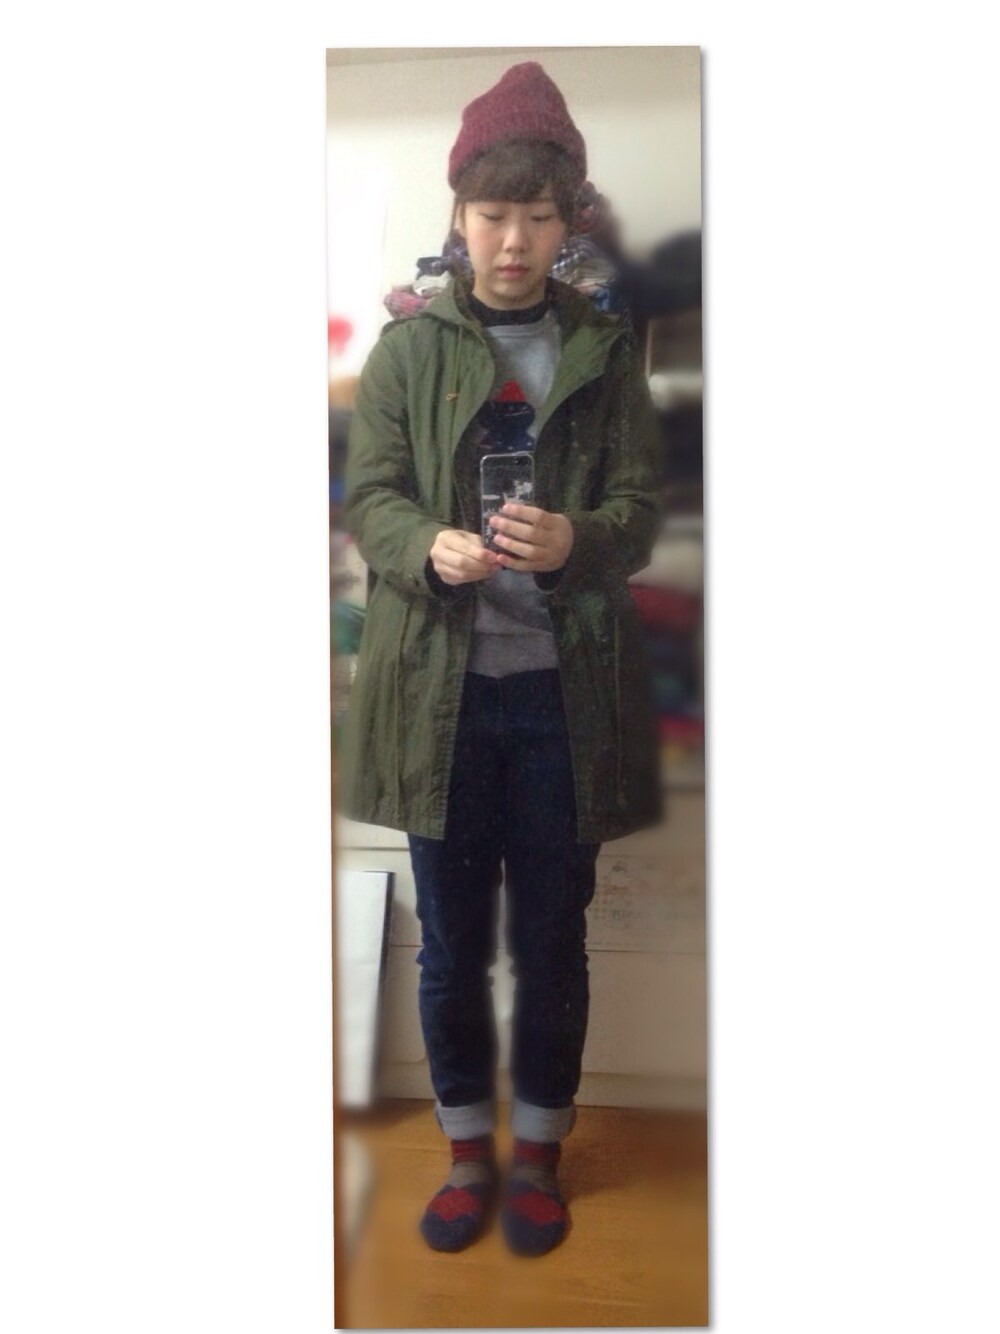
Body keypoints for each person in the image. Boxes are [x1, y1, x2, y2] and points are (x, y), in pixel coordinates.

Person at [337, 61, 664, 1256]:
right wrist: (422, 544)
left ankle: (539, 1152)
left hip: (564, 702)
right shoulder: (404, 352)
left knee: (551, 944)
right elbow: (370, 496)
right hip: (443, 700)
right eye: (490, 213)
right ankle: (465, 1148)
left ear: (566, 218)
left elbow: (638, 508)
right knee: (454, 944)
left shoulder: (605, 350)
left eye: (535, 213)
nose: (513, 239)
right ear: (458, 215)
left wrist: (581, 540)